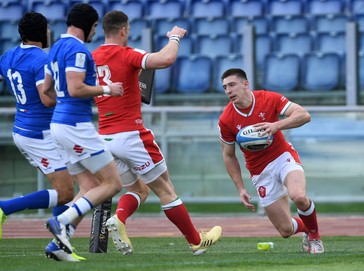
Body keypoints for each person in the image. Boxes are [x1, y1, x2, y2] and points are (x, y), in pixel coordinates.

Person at [91, 10, 222, 256]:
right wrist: (174, 37)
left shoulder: (92, 57)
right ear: (123, 31)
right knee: (165, 189)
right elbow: (165, 60)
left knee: (139, 190)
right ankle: (196, 241)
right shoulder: (127, 53)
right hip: (131, 134)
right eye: (128, 31)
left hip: (104, 138)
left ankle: (119, 219)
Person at [0, 11, 88, 262]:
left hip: (26, 129)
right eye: (48, 29)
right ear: (42, 32)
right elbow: (46, 98)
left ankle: (60, 244)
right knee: (66, 193)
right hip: (39, 134)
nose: (50, 32)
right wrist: (71, 94)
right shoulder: (40, 59)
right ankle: (4, 208)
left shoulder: (9, 56)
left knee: (71, 186)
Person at [42, 3, 124, 256]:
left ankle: (58, 245)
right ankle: (62, 221)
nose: (95, 32)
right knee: (112, 184)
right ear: (87, 24)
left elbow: (47, 89)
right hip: (75, 126)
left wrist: (66, 101)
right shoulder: (78, 49)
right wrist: (109, 89)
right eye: (95, 26)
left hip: (58, 125)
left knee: (89, 187)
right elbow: (76, 88)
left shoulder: (55, 48)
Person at [218, 68, 324, 254]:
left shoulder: (268, 98)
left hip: (283, 157)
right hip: (259, 171)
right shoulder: (226, 119)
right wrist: (241, 188)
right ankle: (307, 228)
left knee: (298, 196)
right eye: (225, 87)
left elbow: (304, 115)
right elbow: (228, 155)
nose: (228, 90)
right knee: (285, 230)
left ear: (245, 84)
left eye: (232, 85)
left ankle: (315, 237)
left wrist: (276, 125)